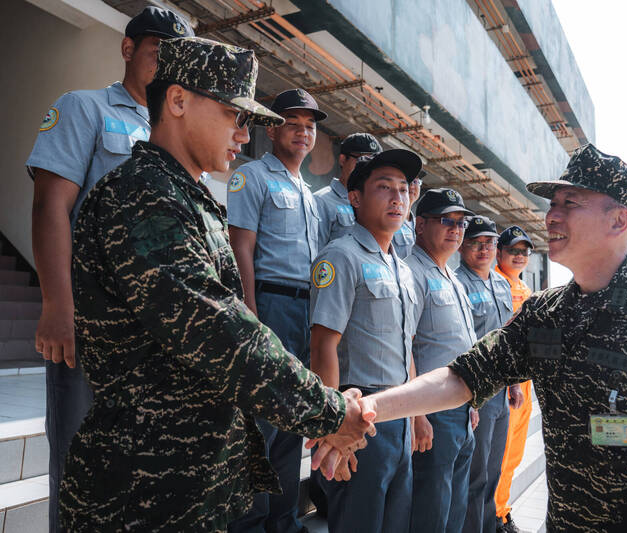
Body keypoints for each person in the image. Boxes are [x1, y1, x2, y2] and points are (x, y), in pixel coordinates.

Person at [355, 144, 627, 533]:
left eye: (571, 203)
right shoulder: (546, 315)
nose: (551, 216)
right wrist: (365, 406)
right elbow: (463, 377)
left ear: (618, 221)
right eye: (553, 203)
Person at [62, 36, 373, 532]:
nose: (243, 134)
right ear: (179, 101)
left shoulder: (186, 196)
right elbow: (220, 333)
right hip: (141, 489)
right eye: (234, 114)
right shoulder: (144, 196)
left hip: (187, 483)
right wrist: (330, 412)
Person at [25, 7, 192, 531]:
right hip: (94, 323)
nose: (166, 64)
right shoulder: (85, 108)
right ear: (127, 49)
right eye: (157, 50)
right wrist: (57, 306)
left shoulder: (178, 135)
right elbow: (51, 206)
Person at [226, 87, 327, 533]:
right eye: (293, 123)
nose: (303, 133)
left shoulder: (310, 193)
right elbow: (240, 247)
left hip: (306, 313)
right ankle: (248, 524)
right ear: (271, 127)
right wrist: (250, 313)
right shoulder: (253, 177)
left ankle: (283, 523)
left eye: (310, 126)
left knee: (292, 421)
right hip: (269, 304)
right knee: (262, 423)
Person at [309, 149, 422, 533]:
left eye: (404, 189)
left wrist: (417, 414)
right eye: (384, 187)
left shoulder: (403, 270)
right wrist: (331, 421)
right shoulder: (341, 256)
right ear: (355, 198)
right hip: (360, 415)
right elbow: (323, 344)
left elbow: (406, 346)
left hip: (401, 412)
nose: (397, 198)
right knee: (359, 521)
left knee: (394, 522)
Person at [405, 188, 478, 533]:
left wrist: (473, 400)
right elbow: (405, 347)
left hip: (462, 409)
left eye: (461, 223)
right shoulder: (410, 273)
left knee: (455, 506)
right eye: (446, 220)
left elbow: (463, 347)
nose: (456, 228)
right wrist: (418, 415)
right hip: (432, 411)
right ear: (420, 225)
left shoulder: (454, 279)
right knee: (430, 508)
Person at [455, 216, 522, 533]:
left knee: (493, 471)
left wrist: (514, 383)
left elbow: (507, 339)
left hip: (500, 393)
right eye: (476, 242)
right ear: (463, 247)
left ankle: (485, 526)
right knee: (475, 473)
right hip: (475, 392)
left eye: (489, 243)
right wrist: (471, 400)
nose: (483, 249)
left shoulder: (501, 284)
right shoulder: (459, 283)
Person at [492, 225, 535, 532]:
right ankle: (494, 515)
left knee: (515, 452)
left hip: (526, 384)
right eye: (512, 251)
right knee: (501, 452)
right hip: (507, 383)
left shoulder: (528, 292)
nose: (519, 256)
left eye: (524, 252)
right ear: (500, 253)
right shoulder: (494, 283)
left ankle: (502, 509)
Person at [315, 132, 382, 245]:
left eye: (373, 163)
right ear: (342, 160)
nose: (366, 168)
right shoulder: (321, 201)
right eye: (362, 159)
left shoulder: (376, 206)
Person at [391, 170, 424, 258]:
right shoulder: (390, 217)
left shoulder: (417, 224)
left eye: (416, 182)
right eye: (409, 181)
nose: (412, 186)